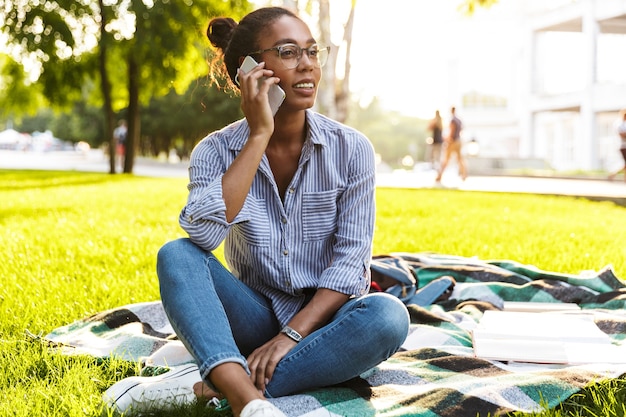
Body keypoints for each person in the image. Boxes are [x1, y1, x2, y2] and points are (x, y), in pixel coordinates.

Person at [105, 7, 409, 417]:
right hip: (250, 316)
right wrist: (258, 135)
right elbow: (204, 238)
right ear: (249, 72)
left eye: (312, 51)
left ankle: (210, 387)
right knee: (176, 253)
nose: (307, 65)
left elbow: (351, 266)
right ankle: (248, 401)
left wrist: (292, 335)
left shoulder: (351, 148)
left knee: (388, 316)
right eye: (288, 52)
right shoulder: (215, 151)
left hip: (325, 324)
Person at [435, 106, 467, 183]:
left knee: (446, 159)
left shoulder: (453, 120)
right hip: (458, 141)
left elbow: (452, 132)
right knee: (460, 159)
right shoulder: (459, 120)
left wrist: (447, 139)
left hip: (453, 142)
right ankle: (464, 174)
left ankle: (439, 176)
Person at [608, 109, 626, 182]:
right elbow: (622, 135)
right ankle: (614, 174)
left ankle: (613, 174)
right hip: (623, 146)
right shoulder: (619, 123)